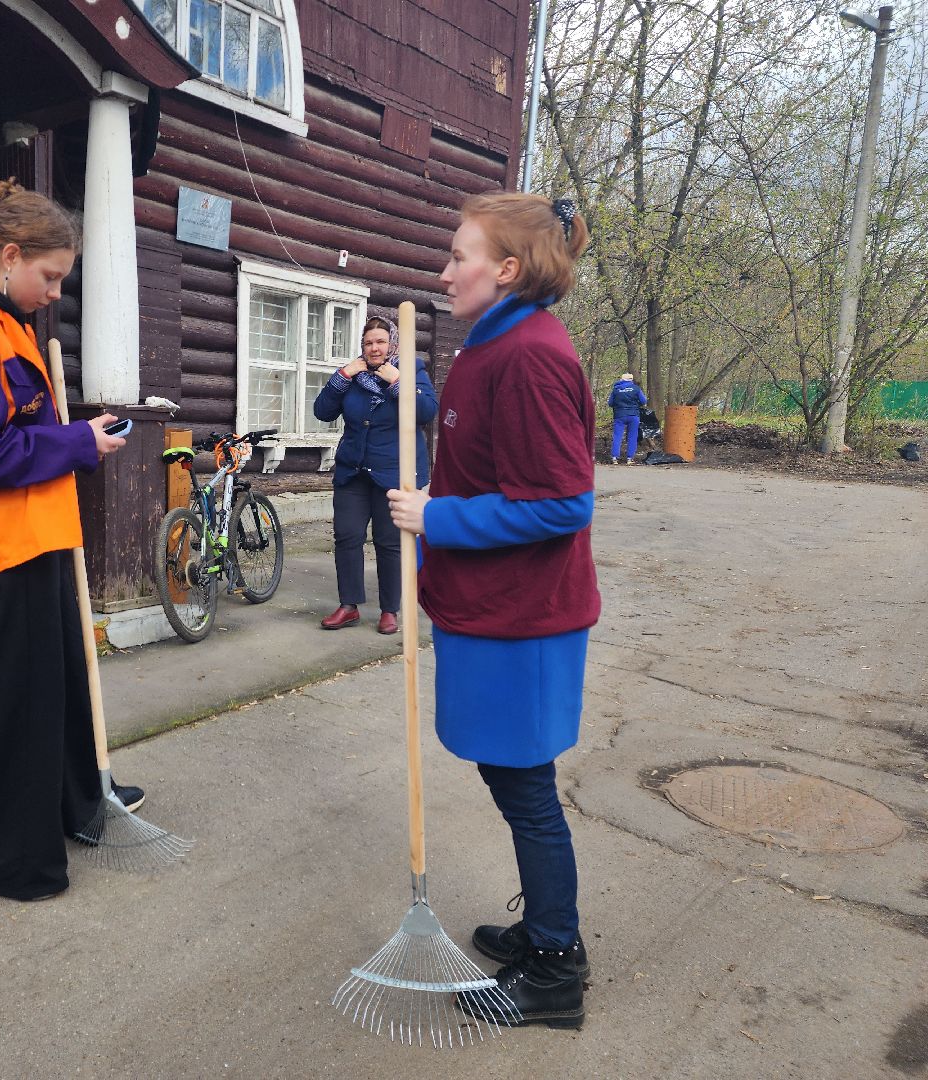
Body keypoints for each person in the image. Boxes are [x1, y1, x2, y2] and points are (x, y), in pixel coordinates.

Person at [388, 193, 599, 1029]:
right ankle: (545, 933)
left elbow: (561, 502)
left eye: (458, 258)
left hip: (527, 618)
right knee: (512, 779)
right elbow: (493, 472)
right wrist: (443, 495)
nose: (443, 273)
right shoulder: (491, 345)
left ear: (506, 270)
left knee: (527, 789)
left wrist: (439, 518)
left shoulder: (532, 356)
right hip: (489, 608)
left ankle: (555, 968)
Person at [0, 179, 141, 902]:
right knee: (20, 698)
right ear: (9, 256)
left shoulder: (6, 323)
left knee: (63, 686)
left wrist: (80, 435)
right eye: (50, 276)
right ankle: (6, 860)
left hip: (40, 533)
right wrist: (75, 443)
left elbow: (27, 427)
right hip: (0, 541)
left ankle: (77, 804)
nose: (55, 293)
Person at [313, 316, 437, 634]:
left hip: (393, 472)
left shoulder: (413, 370)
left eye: (380, 341)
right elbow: (322, 411)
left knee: (389, 542)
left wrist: (398, 382)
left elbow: (425, 412)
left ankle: (389, 610)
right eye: (369, 342)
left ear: (392, 343)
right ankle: (349, 605)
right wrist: (343, 375)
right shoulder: (353, 376)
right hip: (353, 471)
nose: (374, 348)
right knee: (348, 536)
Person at [608, 372, 648, 464]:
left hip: (619, 416)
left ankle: (614, 458)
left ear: (621, 379)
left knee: (617, 436)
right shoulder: (636, 389)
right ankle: (629, 458)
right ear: (631, 380)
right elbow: (643, 401)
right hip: (633, 415)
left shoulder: (616, 389)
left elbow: (610, 403)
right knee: (632, 436)